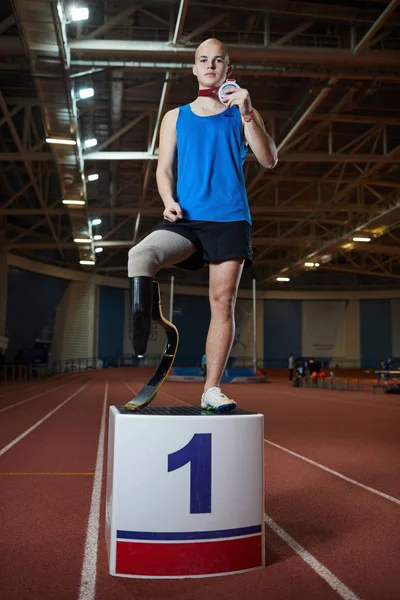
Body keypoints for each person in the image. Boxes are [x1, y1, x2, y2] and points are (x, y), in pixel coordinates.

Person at [127, 38, 277, 411]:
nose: (211, 65)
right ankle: (147, 323)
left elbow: (269, 159)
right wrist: (168, 202)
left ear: (228, 69)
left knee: (221, 303)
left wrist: (246, 112)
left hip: (229, 221)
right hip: (187, 220)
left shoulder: (244, 113)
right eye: (203, 60)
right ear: (194, 69)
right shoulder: (175, 117)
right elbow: (163, 169)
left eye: (218, 60)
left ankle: (211, 389)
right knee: (140, 255)